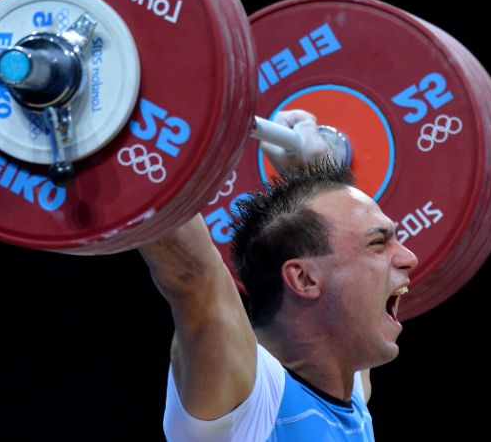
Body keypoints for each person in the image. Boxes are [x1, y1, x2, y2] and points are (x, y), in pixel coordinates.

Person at [138, 110, 418, 441]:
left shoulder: (347, 382)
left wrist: (315, 172)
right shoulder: (248, 401)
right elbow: (192, 274)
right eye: (378, 243)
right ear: (303, 279)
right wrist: (130, 126)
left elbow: (341, 237)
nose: (410, 258)